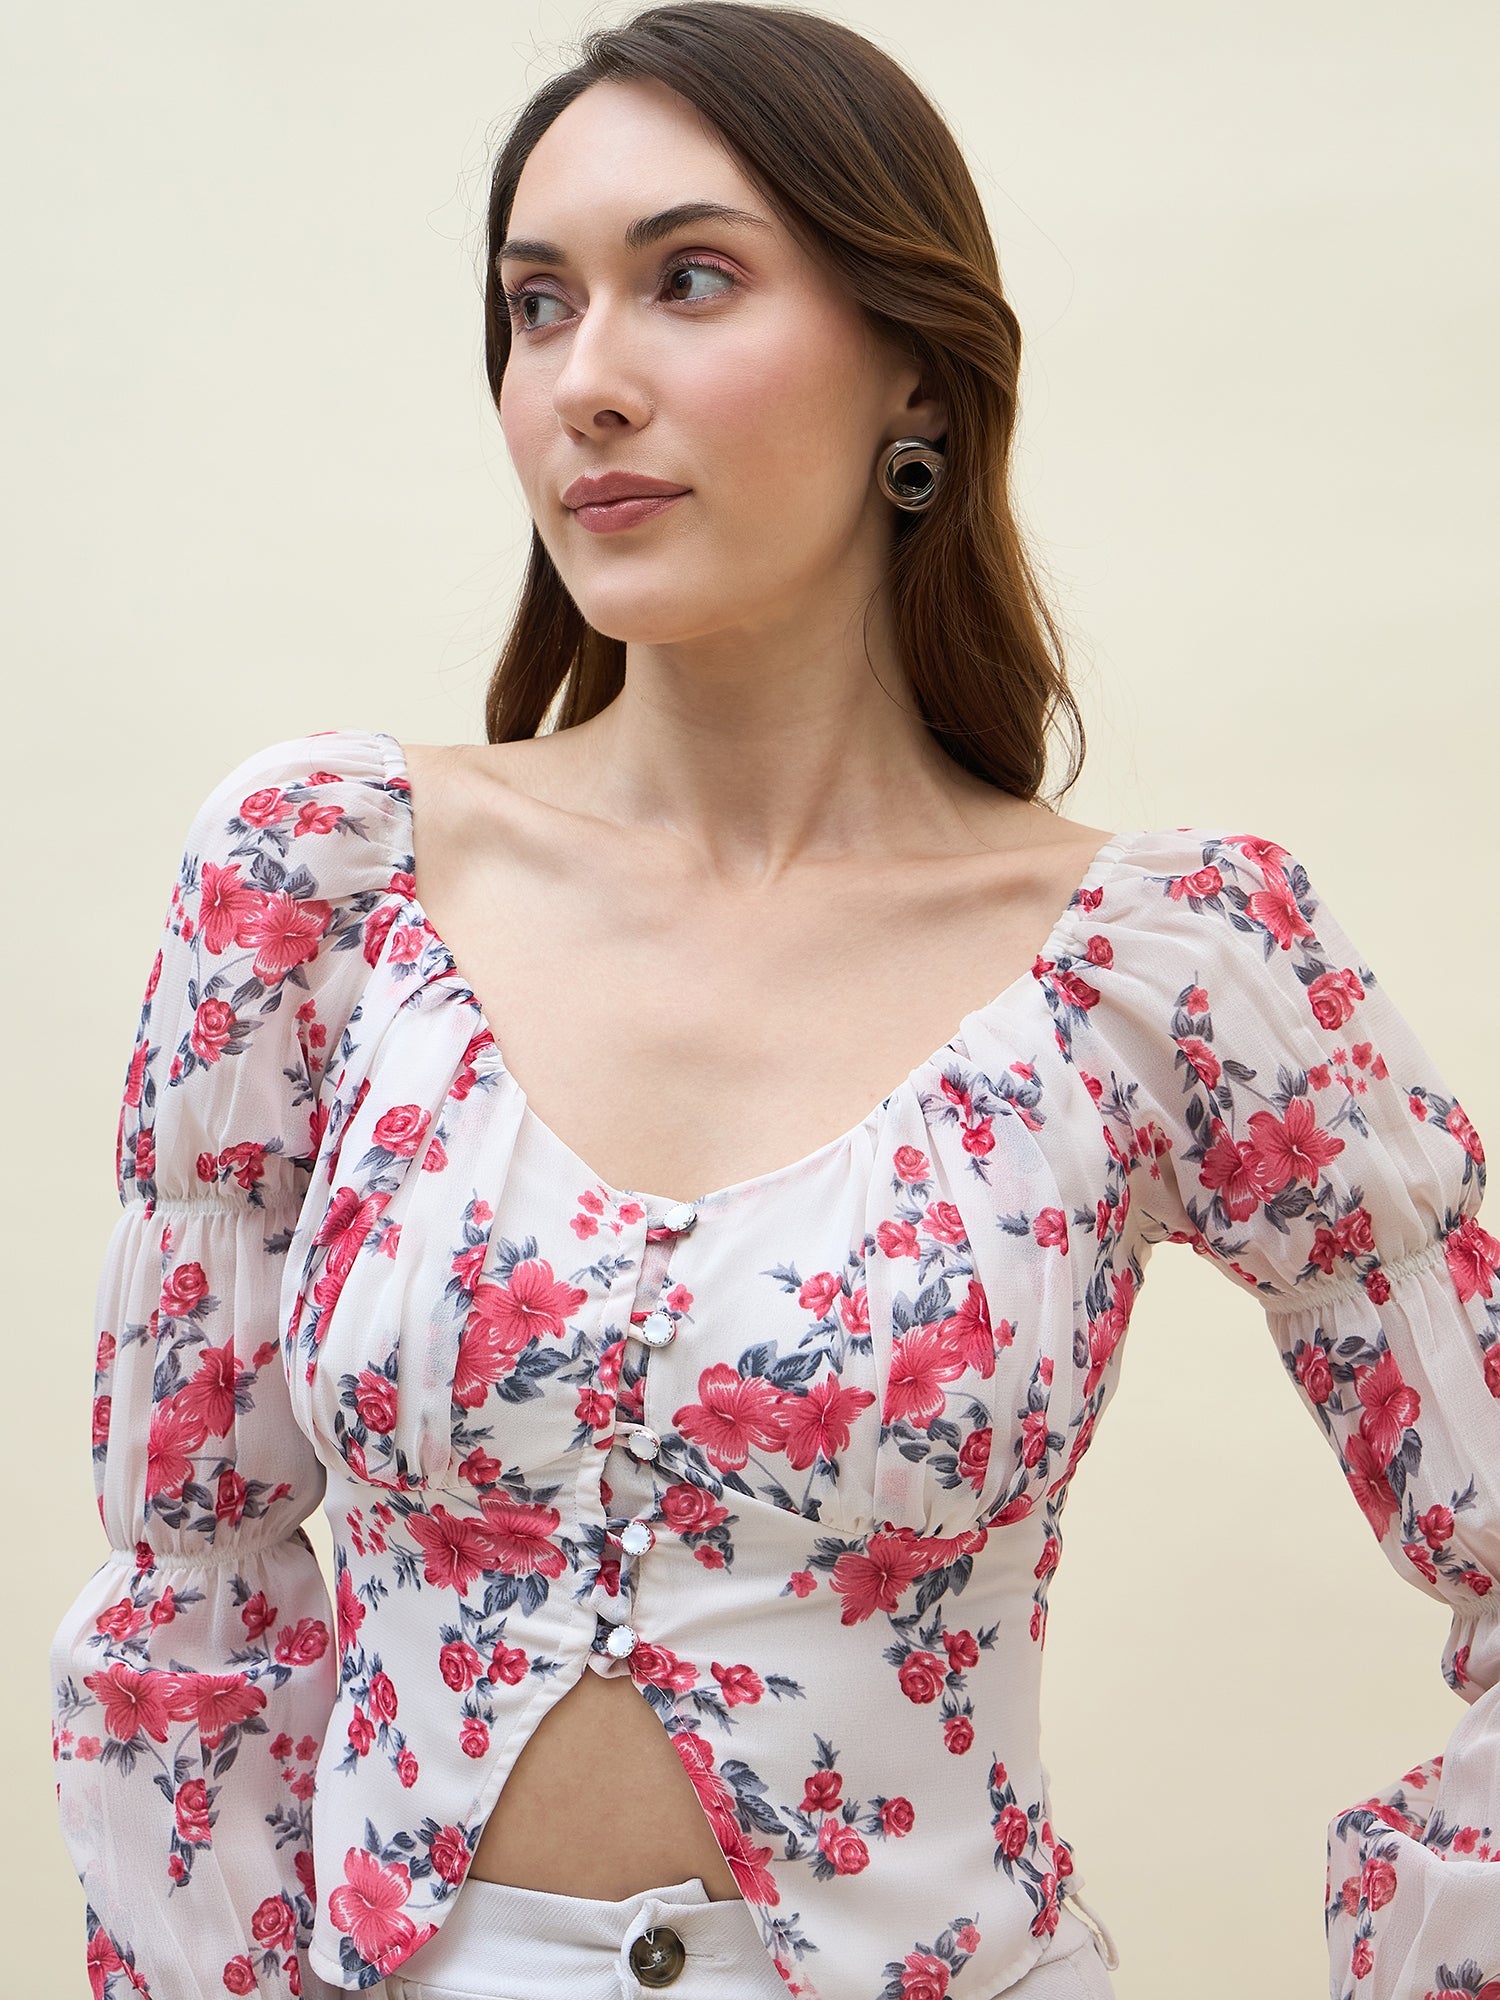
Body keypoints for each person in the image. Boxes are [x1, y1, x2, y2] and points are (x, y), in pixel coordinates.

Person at [49, 5, 1499, 1999]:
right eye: (535, 306)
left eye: (689, 280)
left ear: (913, 364)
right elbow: (188, 1595)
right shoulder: (320, 880)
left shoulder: (1174, 968)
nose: (587, 381)